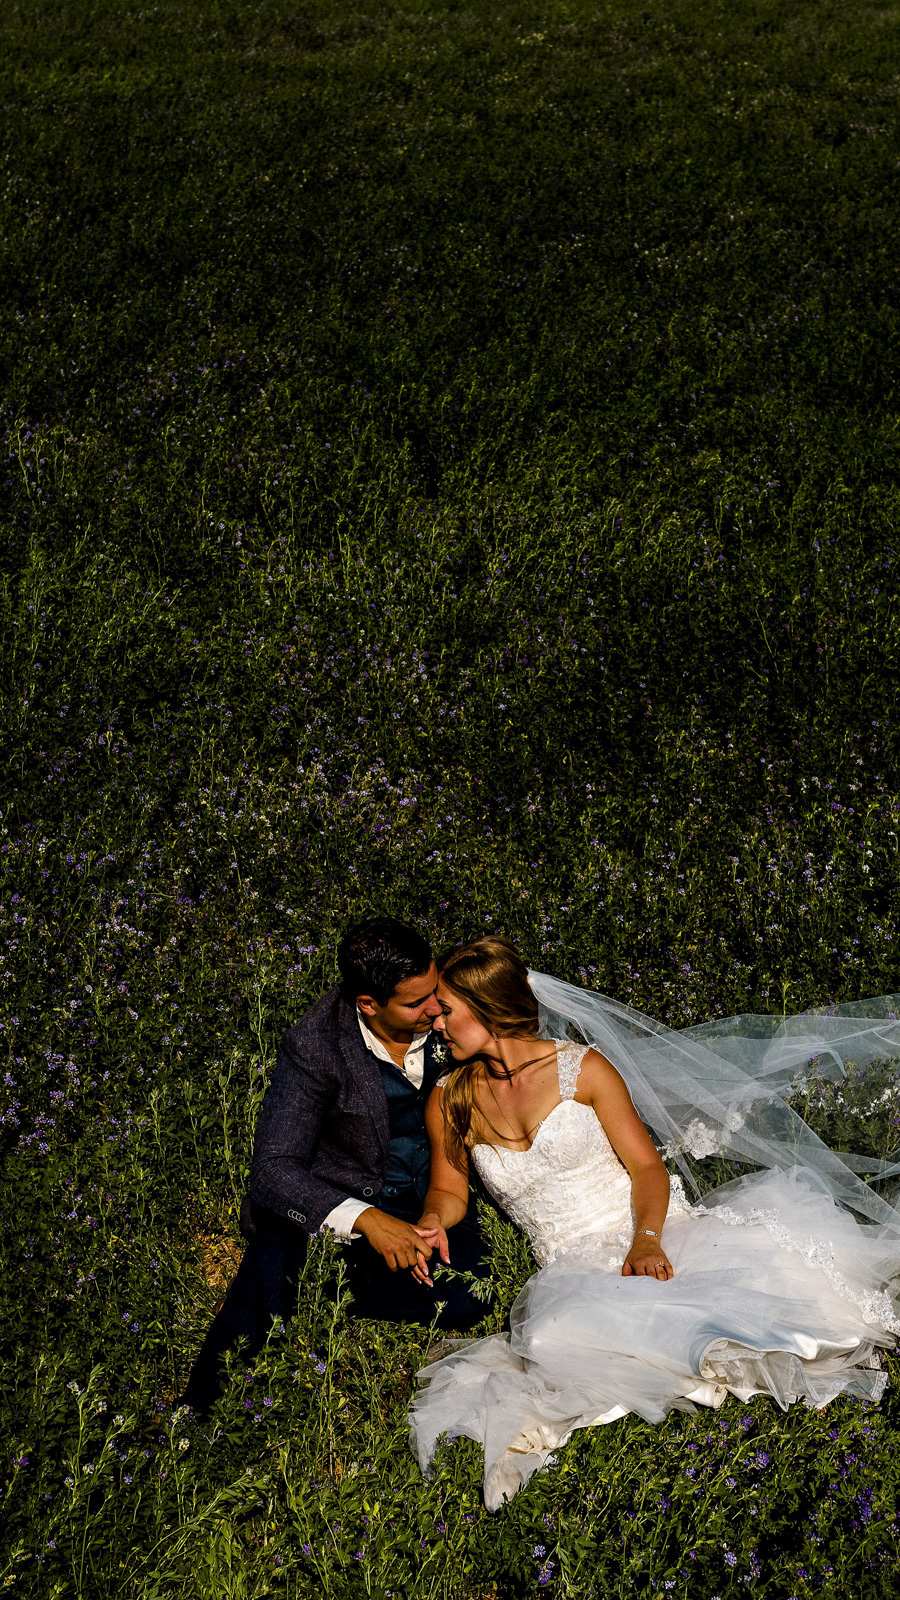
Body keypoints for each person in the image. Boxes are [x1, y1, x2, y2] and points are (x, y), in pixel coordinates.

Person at [408, 937, 900, 1510]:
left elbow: (646, 1167)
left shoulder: (582, 1069)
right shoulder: (448, 1097)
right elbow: (449, 1189)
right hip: (567, 1261)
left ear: (488, 1007)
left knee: (747, 1305)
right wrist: (430, 1222)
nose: (433, 1023)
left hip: (648, 1232)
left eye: (444, 1009)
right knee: (548, 1336)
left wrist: (647, 1241)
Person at [182, 917, 491, 1415]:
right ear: (368, 1004)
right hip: (345, 1204)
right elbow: (273, 1170)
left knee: (466, 1301)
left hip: (435, 1198)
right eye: (416, 1003)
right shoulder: (316, 1044)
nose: (437, 1010)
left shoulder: (449, 1016)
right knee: (274, 1247)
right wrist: (368, 1221)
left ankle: (324, 1289)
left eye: (436, 992)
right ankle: (199, 1409)